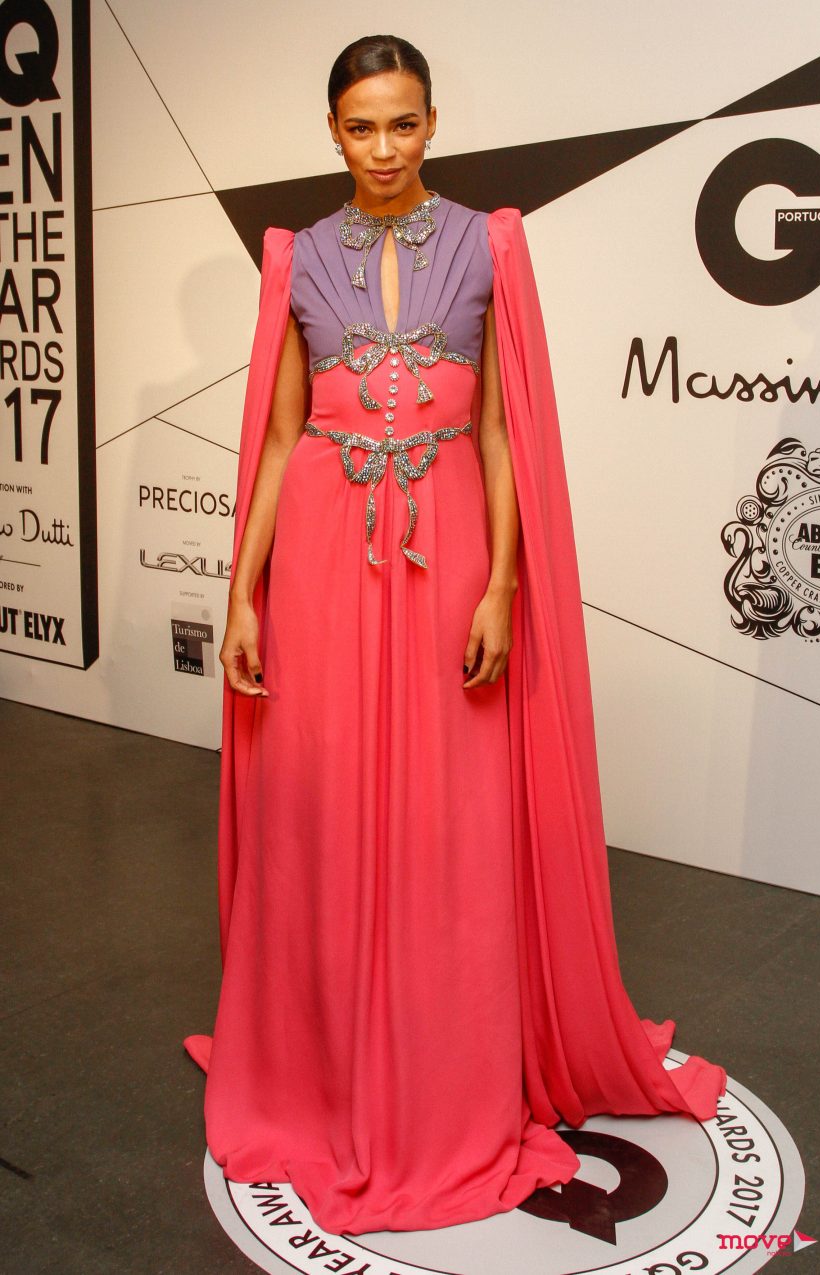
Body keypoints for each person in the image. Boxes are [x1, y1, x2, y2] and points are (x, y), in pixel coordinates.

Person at [183, 33, 727, 1237]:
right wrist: (242, 594)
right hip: (323, 547)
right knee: (326, 803)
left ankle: (441, 1058)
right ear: (333, 132)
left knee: (449, 808)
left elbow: (501, 430)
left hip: (451, 552)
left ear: (432, 122)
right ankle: (329, 1059)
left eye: (402, 123)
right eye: (360, 127)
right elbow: (278, 438)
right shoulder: (295, 255)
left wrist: (501, 584)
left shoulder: (493, 241)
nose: (382, 148)